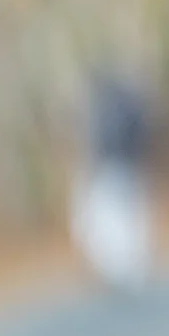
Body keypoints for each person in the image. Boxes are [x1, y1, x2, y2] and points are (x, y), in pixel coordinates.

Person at [71, 74, 153, 292]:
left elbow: (102, 143)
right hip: (127, 168)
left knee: (114, 222)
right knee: (124, 220)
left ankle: (121, 269)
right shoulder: (129, 109)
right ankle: (123, 270)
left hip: (113, 169)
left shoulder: (110, 113)